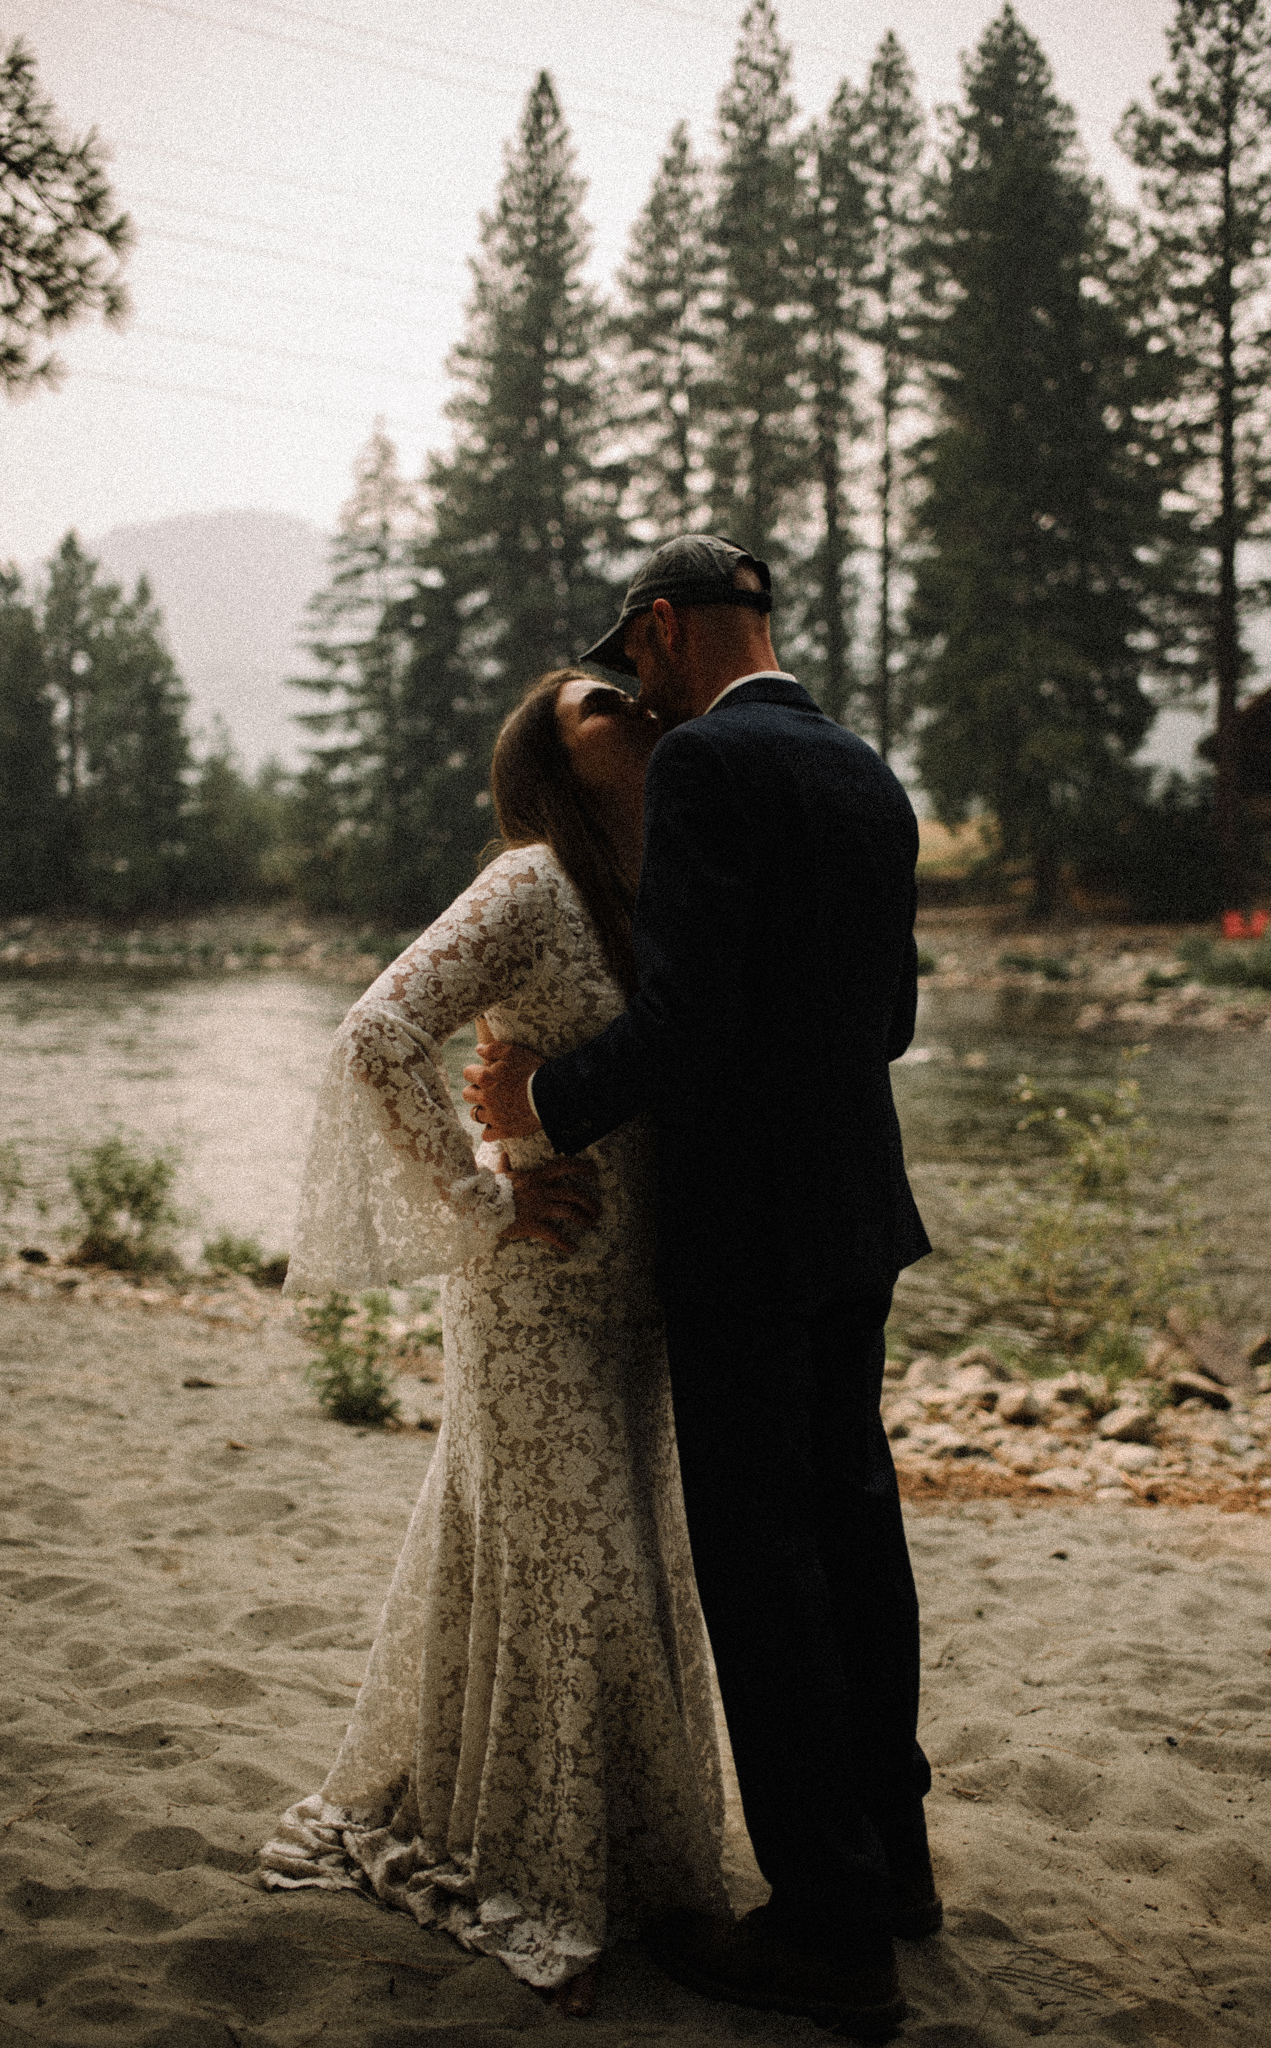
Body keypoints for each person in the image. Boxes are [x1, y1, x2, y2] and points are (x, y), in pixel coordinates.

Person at [465, 535, 936, 2037]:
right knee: (858, 1529)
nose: (634, 687)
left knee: (765, 1562)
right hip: (859, 1210)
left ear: (662, 629)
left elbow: (681, 1021)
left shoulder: (706, 776)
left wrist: (541, 1101)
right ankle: (896, 1866)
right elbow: (896, 1017)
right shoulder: (867, 772)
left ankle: (824, 1927)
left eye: (633, 655)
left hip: (742, 1226)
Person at [259, 669, 732, 2015]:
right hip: (534, 1294)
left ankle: (619, 1865)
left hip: (645, 1299)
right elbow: (378, 1031)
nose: (637, 706)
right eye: (601, 703)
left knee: (616, 1566)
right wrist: (483, 1194)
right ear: (549, 760)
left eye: (643, 695)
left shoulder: (667, 885)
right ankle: (541, 1884)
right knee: (571, 1572)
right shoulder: (528, 881)